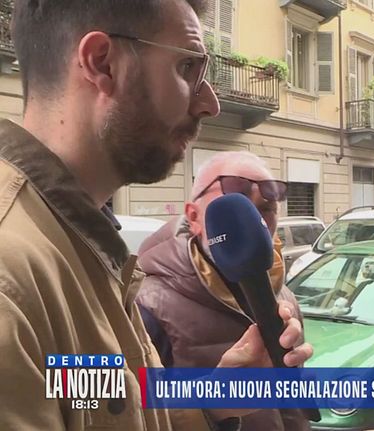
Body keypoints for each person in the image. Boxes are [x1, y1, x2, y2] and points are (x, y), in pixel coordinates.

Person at [0, 1, 311, 430]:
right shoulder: (12, 275)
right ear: (103, 63)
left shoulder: (82, 243)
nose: (209, 103)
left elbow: (112, 407)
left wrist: (216, 398)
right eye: (187, 68)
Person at [136, 151, 310, 431]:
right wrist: (213, 403)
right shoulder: (145, 307)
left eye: (266, 209)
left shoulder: (284, 296)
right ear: (193, 217)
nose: (254, 222)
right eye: (237, 206)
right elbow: (126, 415)